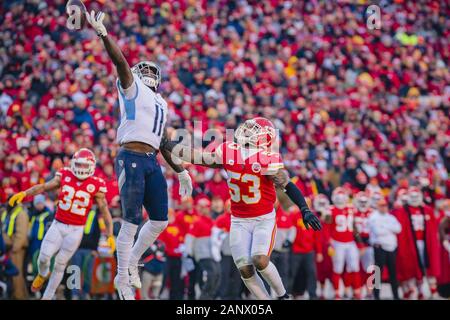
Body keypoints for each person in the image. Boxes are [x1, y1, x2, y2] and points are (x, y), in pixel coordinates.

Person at [83, 9, 193, 300]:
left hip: (151, 160)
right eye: (142, 70)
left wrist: (180, 170)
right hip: (130, 155)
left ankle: (131, 261)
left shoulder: (161, 103)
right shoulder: (131, 89)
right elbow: (119, 61)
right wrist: (104, 34)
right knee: (131, 220)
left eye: (149, 71)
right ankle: (122, 277)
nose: (145, 74)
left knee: (159, 220)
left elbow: (165, 141)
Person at [161, 117, 322, 300]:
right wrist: (169, 145)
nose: (246, 130)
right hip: (238, 220)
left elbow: (287, 186)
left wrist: (304, 209)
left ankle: (283, 295)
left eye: (253, 130)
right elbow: (199, 157)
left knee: (260, 259)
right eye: (248, 127)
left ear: (263, 139)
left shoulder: (266, 159)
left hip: (263, 218)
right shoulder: (230, 150)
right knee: (245, 269)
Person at [8, 148, 115, 300]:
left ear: (91, 166)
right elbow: (44, 187)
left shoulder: (96, 185)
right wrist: (25, 194)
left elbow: (105, 212)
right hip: (58, 224)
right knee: (44, 258)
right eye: (78, 164)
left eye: (84, 166)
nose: (81, 168)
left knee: (60, 263)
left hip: (76, 230)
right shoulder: (65, 174)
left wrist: (110, 235)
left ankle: (47, 296)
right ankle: (42, 274)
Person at [393, 186, 441, 299]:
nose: (414, 199)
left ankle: (431, 291)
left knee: (428, 267)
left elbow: (434, 228)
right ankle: (413, 291)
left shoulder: (427, 210)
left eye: (416, 196)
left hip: (425, 243)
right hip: (407, 244)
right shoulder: (402, 211)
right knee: (411, 268)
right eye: (412, 196)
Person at [323, 187, 361, 299]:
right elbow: (326, 228)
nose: (340, 200)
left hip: (350, 242)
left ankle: (356, 291)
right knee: (337, 268)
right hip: (337, 242)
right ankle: (337, 292)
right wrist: (329, 242)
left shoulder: (350, 208)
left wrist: (360, 242)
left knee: (354, 267)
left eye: (342, 197)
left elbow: (354, 227)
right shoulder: (331, 209)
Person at [184, 198, 221, 299]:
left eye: (206, 207)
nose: (205, 209)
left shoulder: (211, 222)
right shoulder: (197, 222)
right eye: (203, 207)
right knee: (212, 274)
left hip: (212, 254)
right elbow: (189, 239)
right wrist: (189, 254)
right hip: (202, 254)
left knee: (217, 274)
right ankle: (204, 297)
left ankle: (210, 296)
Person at [367, 198, 402, 300]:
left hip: (391, 248)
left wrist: (385, 227)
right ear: (377, 206)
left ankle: (396, 295)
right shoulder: (373, 217)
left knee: (393, 273)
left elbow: (398, 229)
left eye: (385, 205)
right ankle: (376, 295)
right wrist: (390, 228)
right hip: (380, 247)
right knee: (378, 273)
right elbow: (378, 231)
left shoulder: (391, 217)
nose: (384, 207)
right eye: (381, 205)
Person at [290, 206, 322, 299]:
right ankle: (288, 293)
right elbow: (291, 231)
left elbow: (317, 236)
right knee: (292, 273)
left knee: (311, 273)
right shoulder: (294, 216)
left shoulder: (312, 216)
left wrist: (319, 252)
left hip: (309, 250)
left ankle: (313, 295)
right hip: (296, 250)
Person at [1, 200, 29, 299]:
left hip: (16, 249)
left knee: (17, 274)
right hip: (8, 248)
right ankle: (16, 295)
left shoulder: (21, 213)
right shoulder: (8, 212)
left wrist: (15, 248)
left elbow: (21, 233)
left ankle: (19, 296)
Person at [215, 200, 241, 299]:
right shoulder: (220, 219)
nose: (230, 208)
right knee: (224, 275)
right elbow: (215, 237)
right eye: (229, 206)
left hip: (238, 254)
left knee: (237, 276)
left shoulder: (240, 219)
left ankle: (236, 295)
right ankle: (223, 295)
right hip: (225, 253)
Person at [28, 195, 53, 276]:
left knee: (43, 264)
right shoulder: (33, 214)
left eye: (40, 203)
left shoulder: (49, 214)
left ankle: (44, 283)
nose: (39, 205)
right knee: (34, 263)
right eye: (37, 203)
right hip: (33, 242)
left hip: (43, 243)